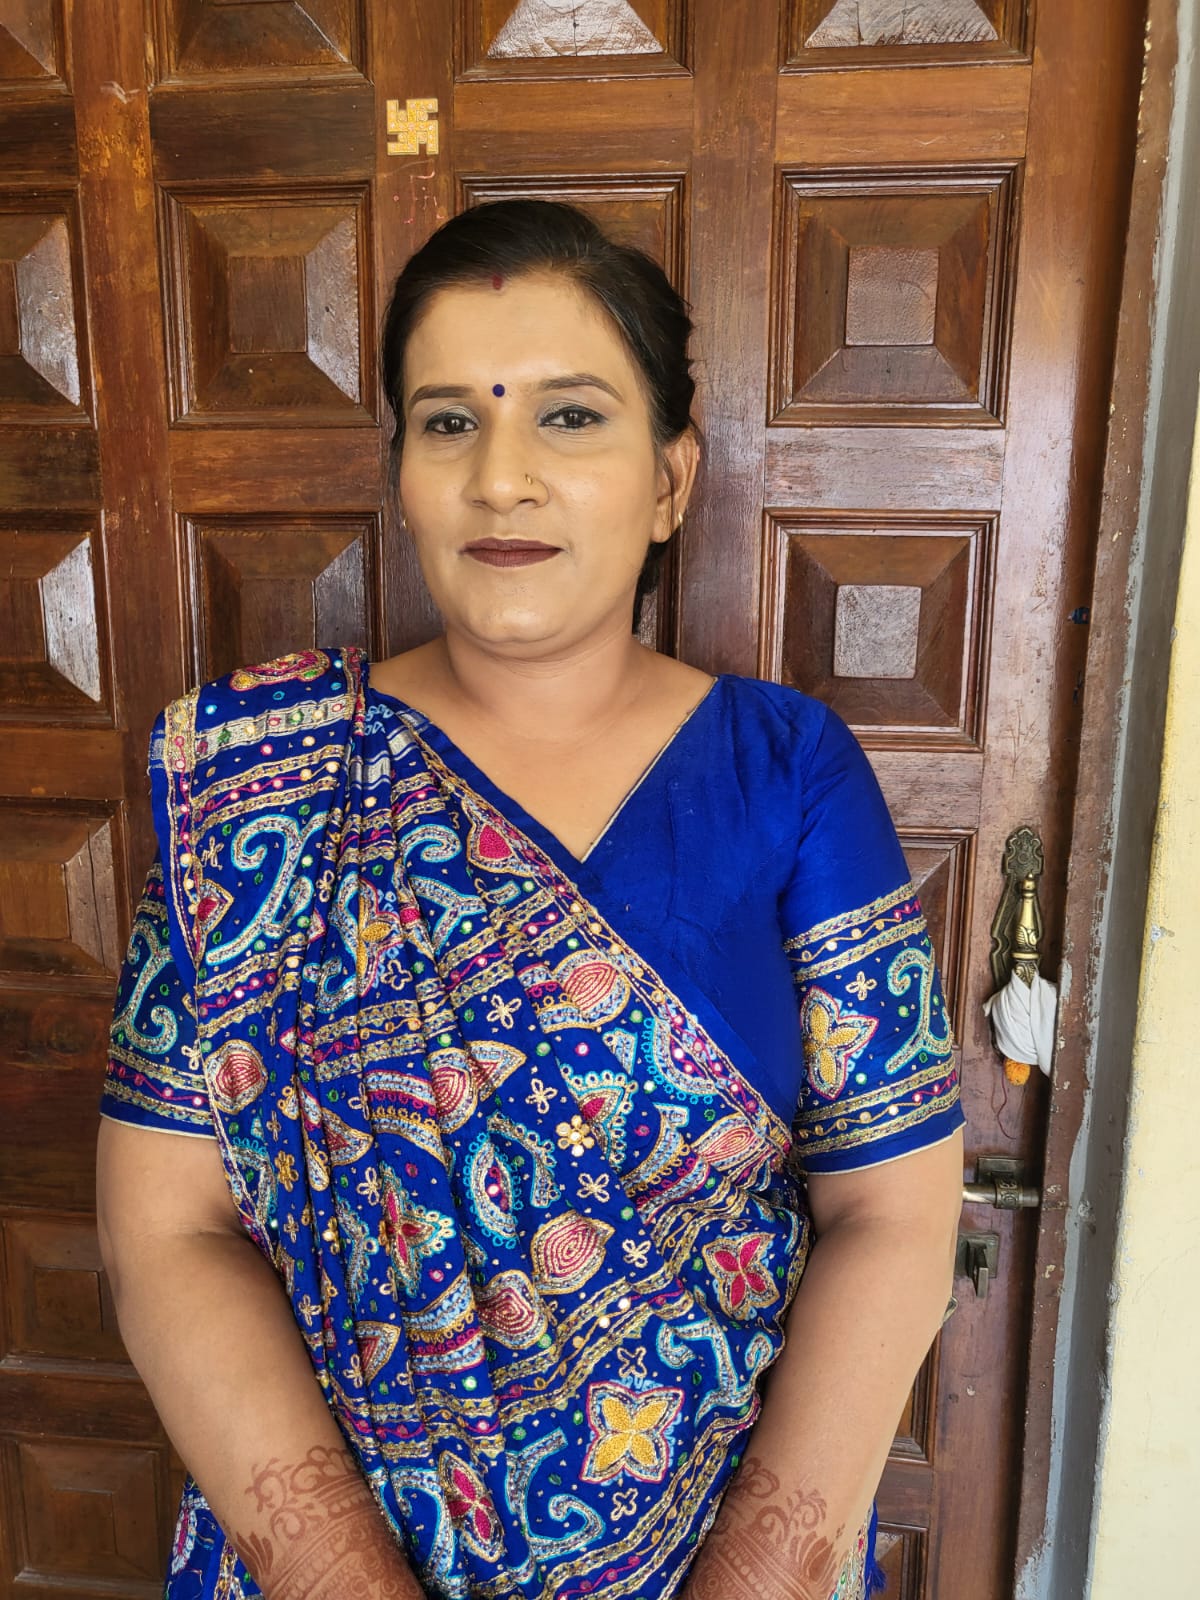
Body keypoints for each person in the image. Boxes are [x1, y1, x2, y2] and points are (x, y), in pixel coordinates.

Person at [97, 200, 964, 1600]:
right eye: (449, 422)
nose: (502, 478)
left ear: (671, 479)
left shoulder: (785, 774)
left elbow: (896, 1219)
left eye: (569, 417)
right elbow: (166, 1232)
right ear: (401, 475)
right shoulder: (262, 784)